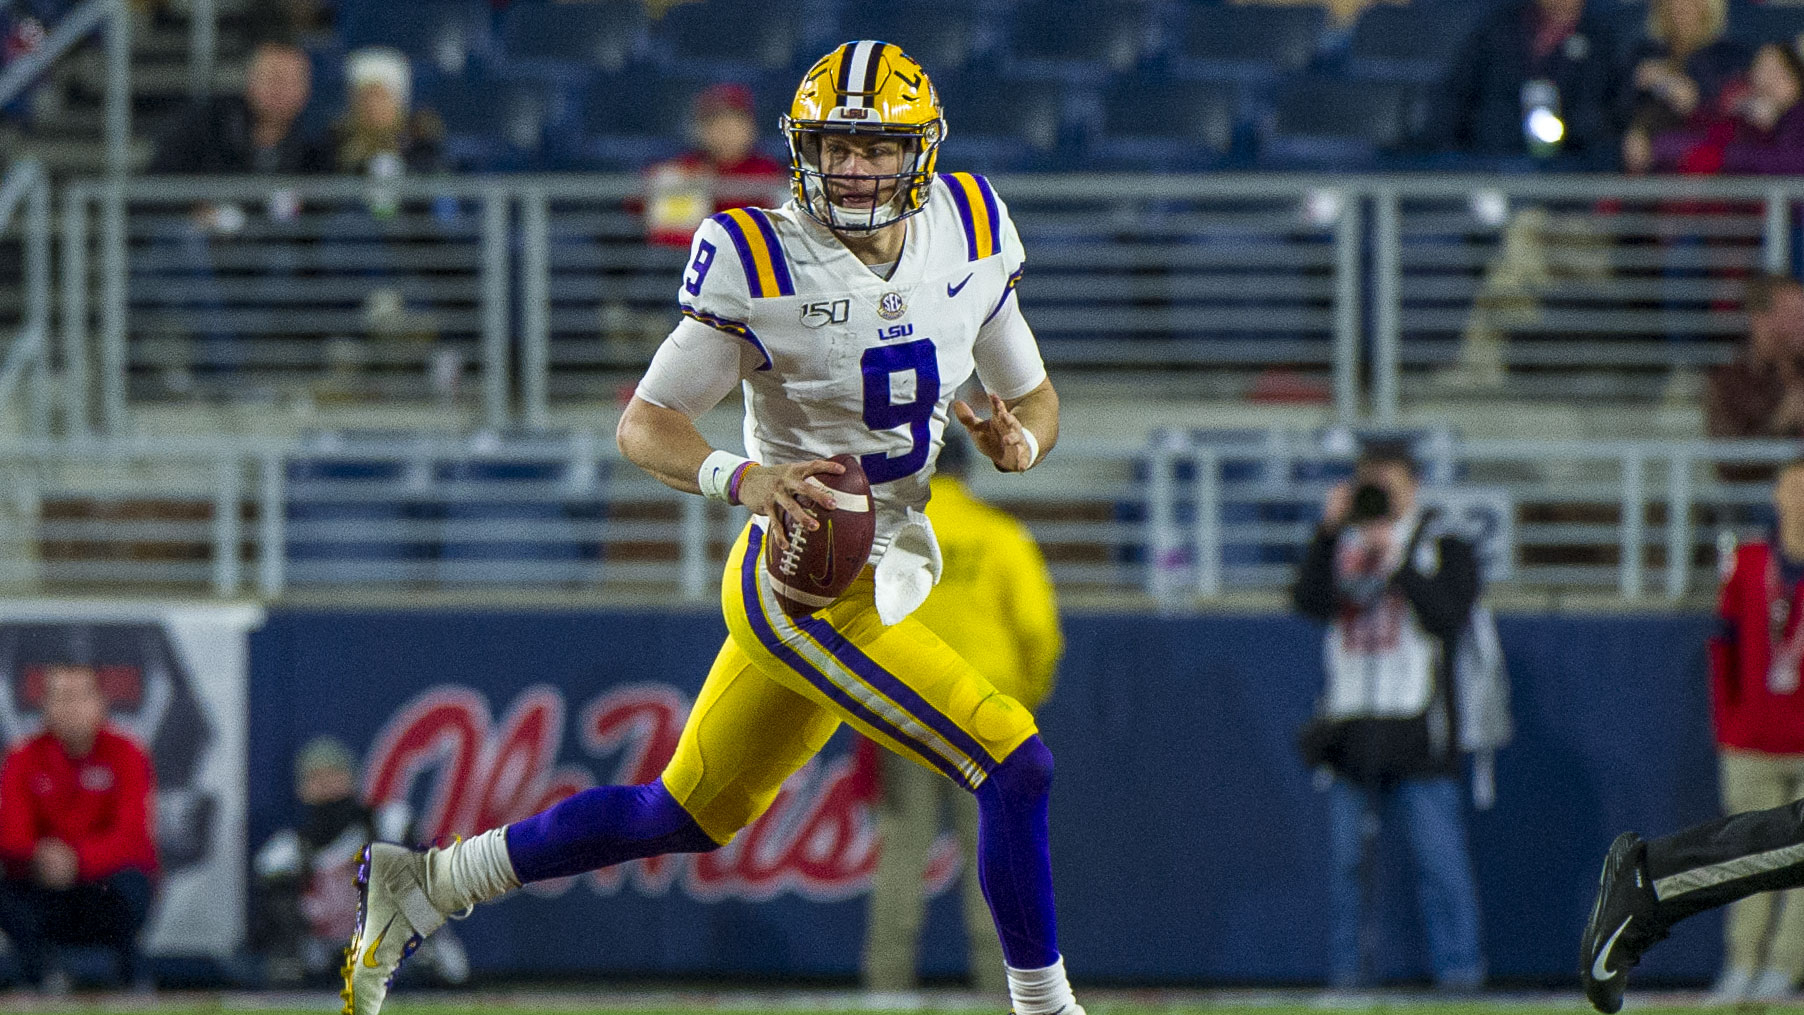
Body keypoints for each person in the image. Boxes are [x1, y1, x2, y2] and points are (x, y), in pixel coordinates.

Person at [342, 41, 1083, 1015]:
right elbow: (644, 423)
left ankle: (429, 885)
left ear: (922, 153)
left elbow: (1032, 396)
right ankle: (1048, 1010)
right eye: (834, 146)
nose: (854, 169)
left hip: (893, 553)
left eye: (877, 148)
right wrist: (748, 477)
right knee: (1013, 759)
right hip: (802, 579)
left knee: (684, 812)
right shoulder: (757, 254)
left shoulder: (970, 226)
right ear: (800, 149)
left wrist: (1018, 443)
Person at [862, 428, 1064, 996]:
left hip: (905, 712)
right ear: (966, 471)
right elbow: (1038, 634)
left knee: (902, 851)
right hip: (986, 718)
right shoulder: (1000, 536)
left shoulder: (888, 539)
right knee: (995, 855)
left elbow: (857, 629)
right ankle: (1005, 992)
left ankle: (885, 991)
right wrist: (1022, 700)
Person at [1292, 442, 1486, 990]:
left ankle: (1461, 979)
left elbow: (1450, 613)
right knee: (1347, 867)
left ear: (1415, 484)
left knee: (1439, 865)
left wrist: (1398, 559)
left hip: (1419, 725)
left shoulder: (1442, 543)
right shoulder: (1345, 544)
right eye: (1367, 483)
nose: (1377, 495)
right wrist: (1330, 531)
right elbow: (1306, 601)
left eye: (1388, 483)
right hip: (1352, 725)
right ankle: (1348, 980)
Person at [1694, 459, 1804, 1002]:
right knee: (1750, 861)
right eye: (1793, 487)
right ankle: (1743, 965)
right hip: (1753, 740)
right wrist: (1729, 725)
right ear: (1776, 495)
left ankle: (1782, 970)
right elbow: (1723, 651)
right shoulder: (1750, 562)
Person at [251, 736, 466, 987]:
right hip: (327, 950)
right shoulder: (289, 849)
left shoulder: (387, 824)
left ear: (352, 778)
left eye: (334, 774)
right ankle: (299, 959)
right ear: (302, 788)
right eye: (316, 777)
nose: (326, 784)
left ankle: (427, 950)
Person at [0, 665, 157, 991]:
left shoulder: (126, 752)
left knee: (133, 881)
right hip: (44, 885)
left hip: (102, 886)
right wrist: (39, 856)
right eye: (59, 697)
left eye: (79, 696)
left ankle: (131, 980)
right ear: (44, 706)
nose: (69, 707)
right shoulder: (24, 755)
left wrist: (78, 860)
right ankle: (37, 979)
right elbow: (10, 832)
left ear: (100, 702)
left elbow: (132, 836)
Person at [1427, 0, 1619, 167]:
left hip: (1573, 162)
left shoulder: (1599, 37)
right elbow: (1457, 93)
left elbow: (1605, 110)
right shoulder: (1500, 28)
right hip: (1495, 158)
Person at [147, 40, 329, 179]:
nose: (281, 91)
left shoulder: (319, 145)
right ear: (251, 82)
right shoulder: (206, 126)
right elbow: (158, 189)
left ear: (307, 89)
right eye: (274, 79)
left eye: (292, 82)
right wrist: (192, 210)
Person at [642, 82, 789, 247]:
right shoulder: (685, 169)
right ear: (699, 129)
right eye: (714, 123)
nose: (725, 131)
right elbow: (667, 240)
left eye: (734, 122)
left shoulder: (769, 172)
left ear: (750, 127)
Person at [1616, 0, 1750, 173]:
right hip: (1638, 155)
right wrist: (1638, 129)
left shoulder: (1729, 56)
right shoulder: (1643, 53)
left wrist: (1681, 91)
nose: (1681, 6)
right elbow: (1619, 109)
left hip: (1702, 158)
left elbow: (1727, 113)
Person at [1642, 42, 1804, 175]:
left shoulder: (1797, 118)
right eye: (1762, 69)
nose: (1769, 81)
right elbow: (1669, 145)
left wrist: (1725, 156)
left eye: (1779, 73)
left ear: (1797, 81)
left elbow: (1792, 164)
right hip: (1732, 207)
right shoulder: (1735, 119)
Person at [1706, 275, 1804, 441]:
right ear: (1760, 319)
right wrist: (1780, 423)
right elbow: (1728, 457)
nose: (1802, 324)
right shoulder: (1730, 382)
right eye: (1793, 315)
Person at [330, 47, 445, 179]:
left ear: (399, 101)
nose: (372, 105)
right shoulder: (333, 149)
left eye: (381, 96)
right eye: (365, 97)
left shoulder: (423, 150)